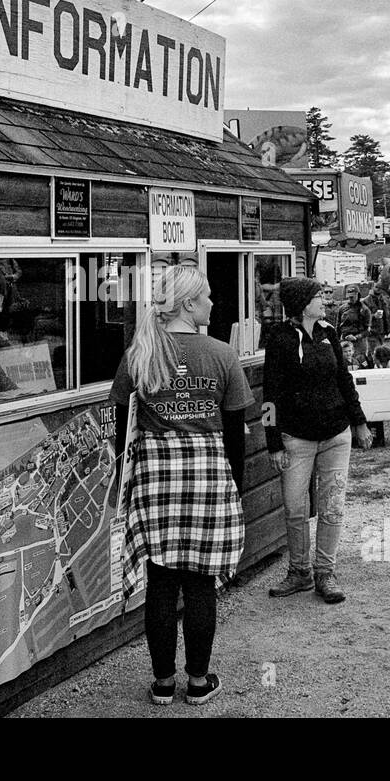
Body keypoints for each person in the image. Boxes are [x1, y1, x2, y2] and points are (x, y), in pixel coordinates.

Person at [110, 266, 252, 706]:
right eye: (207, 297)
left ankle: (162, 684)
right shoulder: (222, 354)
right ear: (189, 304)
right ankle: (197, 681)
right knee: (200, 584)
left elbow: (123, 431)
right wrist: (235, 489)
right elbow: (234, 436)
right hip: (209, 480)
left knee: (161, 583)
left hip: (155, 480)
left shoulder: (139, 353)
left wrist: (130, 482)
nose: (213, 303)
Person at [263, 278, 374, 603]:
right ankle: (299, 572)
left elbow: (344, 378)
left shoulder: (329, 333)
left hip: (336, 436)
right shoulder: (279, 339)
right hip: (296, 439)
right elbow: (270, 396)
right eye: (317, 296)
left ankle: (326, 573)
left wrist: (360, 422)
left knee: (332, 506)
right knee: (295, 508)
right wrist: (273, 442)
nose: (324, 300)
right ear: (300, 304)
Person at [335, 285, 371, 360]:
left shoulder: (364, 310)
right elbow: (338, 327)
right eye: (349, 297)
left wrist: (355, 337)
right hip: (344, 340)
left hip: (359, 342)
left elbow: (367, 330)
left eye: (353, 296)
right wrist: (337, 342)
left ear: (358, 295)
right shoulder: (342, 308)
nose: (351, 299)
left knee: (360, 362)